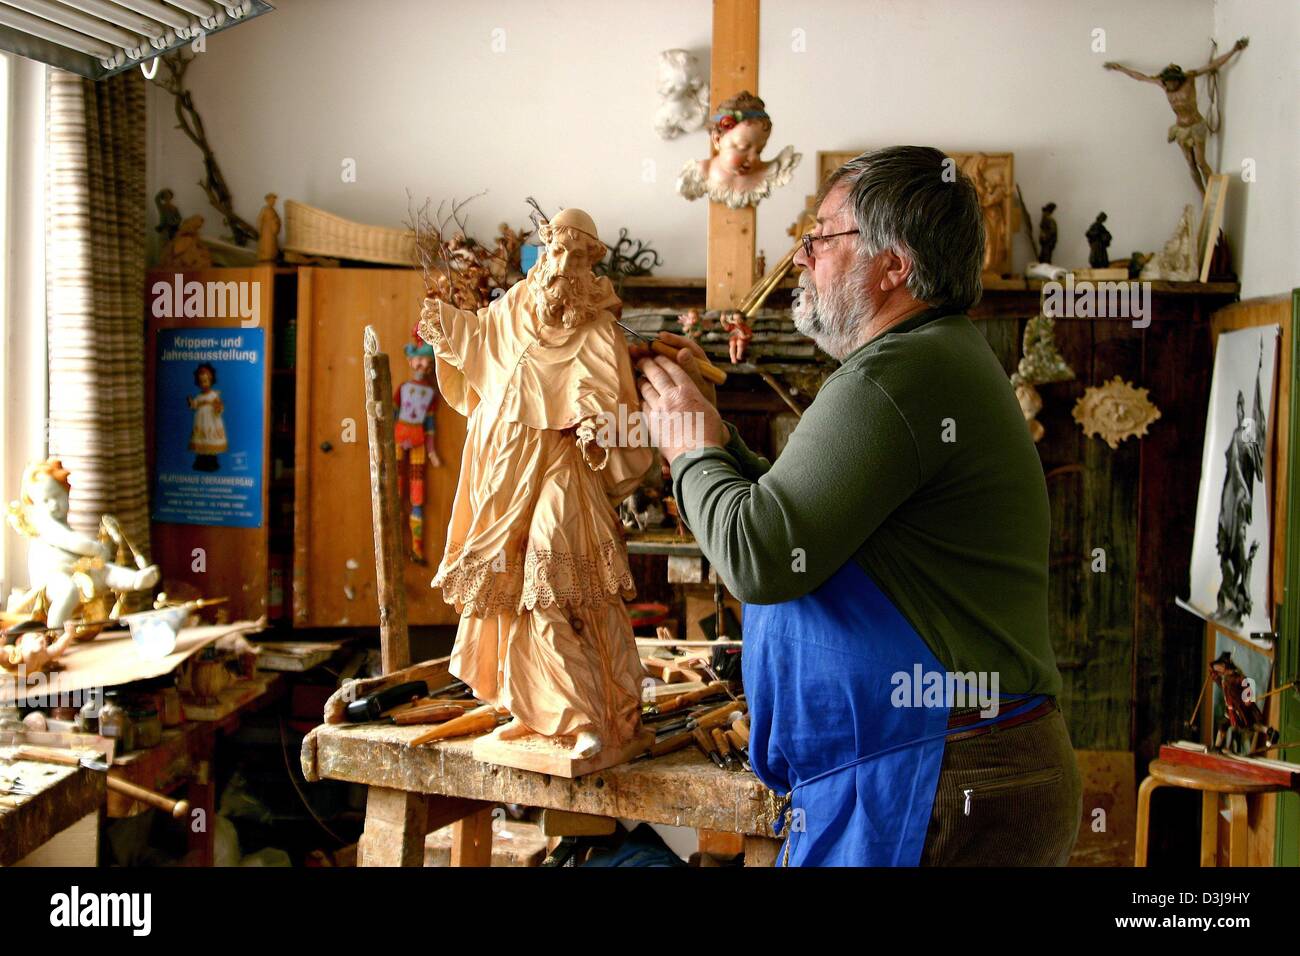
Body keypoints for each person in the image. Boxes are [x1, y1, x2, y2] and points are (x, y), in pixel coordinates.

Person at [636, 146, 1080, 866]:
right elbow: (805, 523)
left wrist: (689, 447)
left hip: (937, 778)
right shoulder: (931, 357)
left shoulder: (897, 373)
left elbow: (761, 554)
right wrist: (714, 438)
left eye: (821, 235)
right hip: (936, 763)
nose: (802, 257)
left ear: (893, 263)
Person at [418, 208, 653, 761]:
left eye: (576, 257)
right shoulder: (516, 305)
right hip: (501, 468)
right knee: (513, 588)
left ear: (590, 265)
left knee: (555, 577)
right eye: (557, 252)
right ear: (543, 253)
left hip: (561, 467)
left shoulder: (598, 328)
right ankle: (537, 712)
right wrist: (446, 325)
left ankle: (591, 718)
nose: (562, 265)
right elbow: (481, 347)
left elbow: (616, 406)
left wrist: (600, 426)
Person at [188, 363, 227, 472]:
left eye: (206, 381)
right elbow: (194, 405)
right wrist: (191, 402)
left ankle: (211, 461)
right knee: (201, 441)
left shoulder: (214, 395)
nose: (204, 384)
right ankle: (201, 460)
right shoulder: (199, 396)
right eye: (201, 382)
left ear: (211, 381)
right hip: (200, 422)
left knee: (211, 440)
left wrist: (218, 407)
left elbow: (219, 407)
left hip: (211, 422)